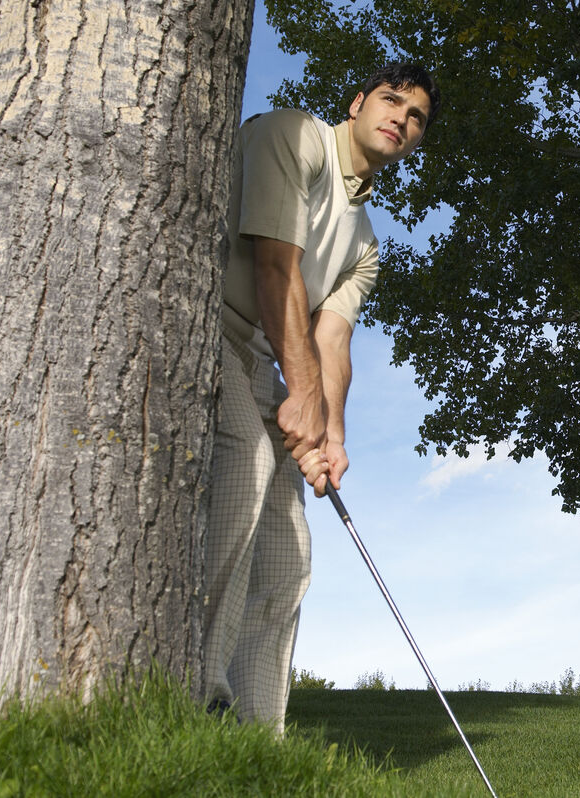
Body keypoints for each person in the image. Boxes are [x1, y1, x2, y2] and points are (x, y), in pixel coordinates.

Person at [201, 63, 440, 732]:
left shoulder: (366, 243)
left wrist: (331, 437)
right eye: (392, 101)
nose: (402, 117)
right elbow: (276, 264)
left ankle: (257, 733)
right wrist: (301, 396)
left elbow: (331, 341)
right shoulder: (293, 135)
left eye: (417, 116)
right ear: (358, 102)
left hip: (265, 362)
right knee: (248, 467)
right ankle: (197, 688)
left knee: (290, 554)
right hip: (208, 330)